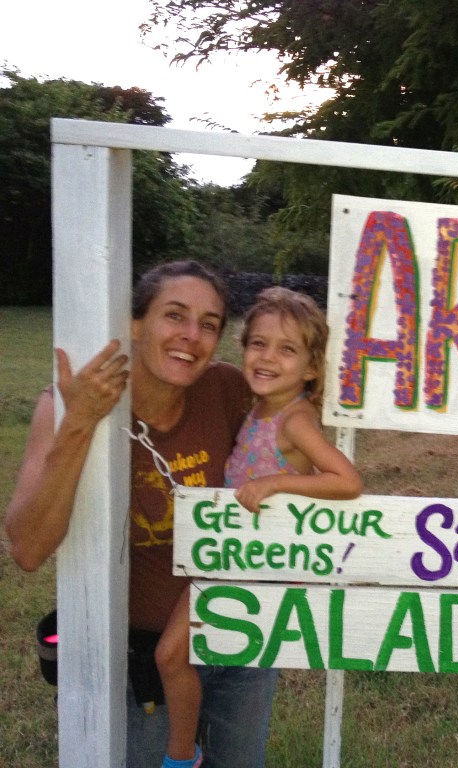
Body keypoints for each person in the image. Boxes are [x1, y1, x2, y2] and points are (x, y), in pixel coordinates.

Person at [7, 261, 271, 768]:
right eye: (175, 315)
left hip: (240, 635)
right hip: (139, 661)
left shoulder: (227, 389)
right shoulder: (68, 404)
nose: (191, 335)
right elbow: (29, 549)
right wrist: (81, 421)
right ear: (134, 323)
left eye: (209, 324)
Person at [154, 286, 361, 768]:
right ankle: (186, 753)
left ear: (310, 368)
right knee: (173, 656)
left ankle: (182, 758)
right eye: (258, 344)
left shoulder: (296, 419)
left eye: (287, 349)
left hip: (256, 571)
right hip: (226, 559)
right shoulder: (259, 408)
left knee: (174, 655)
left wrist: (276, 483)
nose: (267, 357)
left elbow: (347, 481)